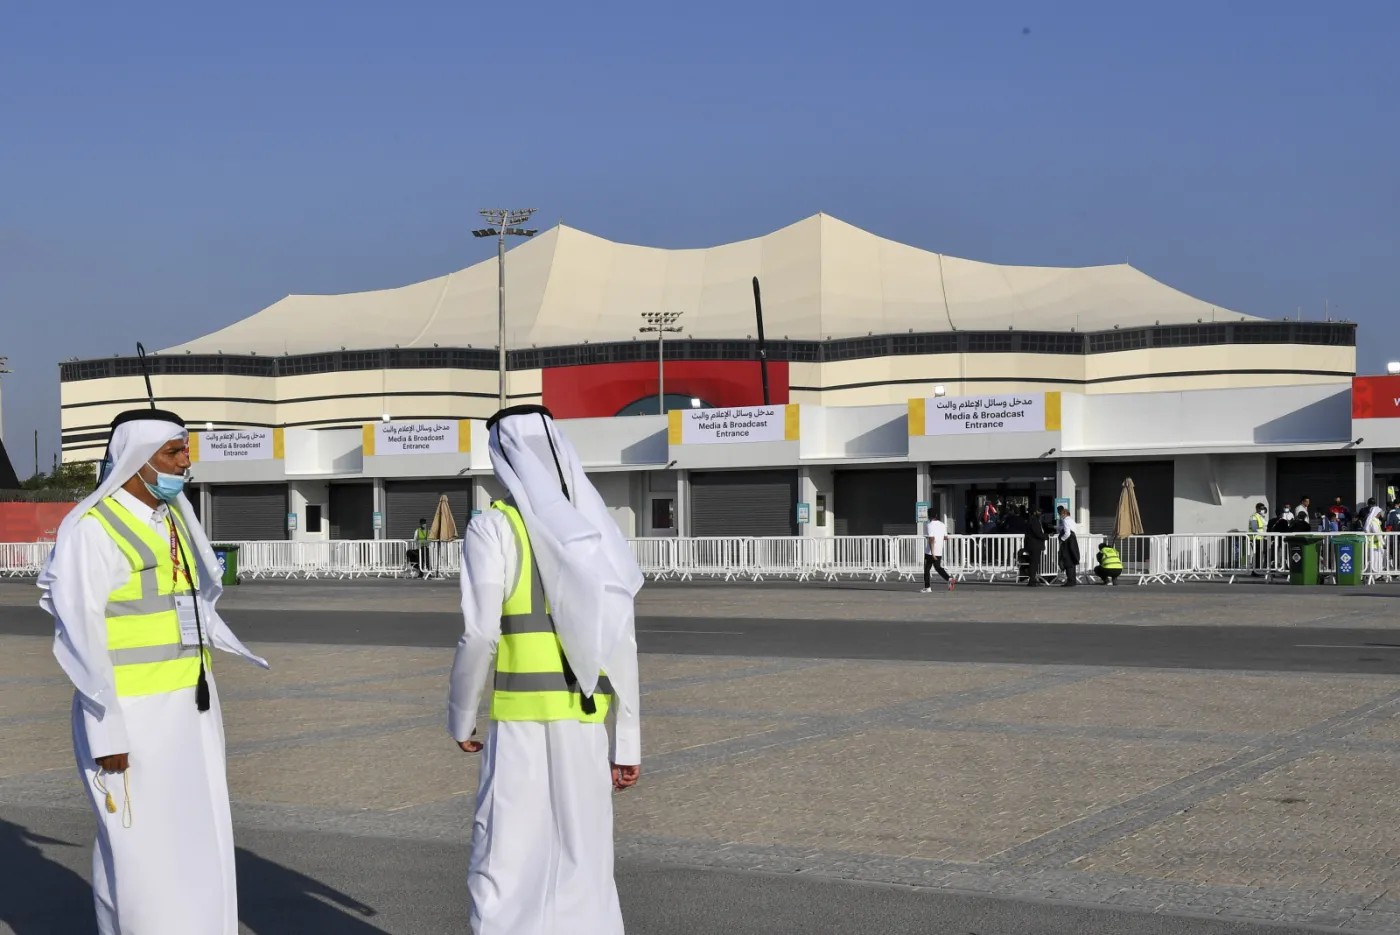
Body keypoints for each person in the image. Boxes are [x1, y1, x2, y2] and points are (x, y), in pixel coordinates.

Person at [37, 408, 267, 935]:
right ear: (138, 461)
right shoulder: (93, 532)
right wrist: (106, 730)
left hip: (190, 709)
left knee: (198, 836)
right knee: (141, 853)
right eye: (173, 452)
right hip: (131, 718)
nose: (186, 461)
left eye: (186, 450)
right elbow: (81, 637)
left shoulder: (173, 520)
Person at [449, 404, 642, 935]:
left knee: (504, 863)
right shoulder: (596, 534)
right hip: (585, 727)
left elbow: (481, 633)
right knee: (585, 869)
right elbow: (622, 641)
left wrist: (462, 716)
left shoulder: (493, 528)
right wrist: (628, 744)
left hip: (519, 728)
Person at [922, 516, 955, 592]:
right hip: (939, 550)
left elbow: (931, 539)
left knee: (927, 569)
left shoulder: (929, 525)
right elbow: (946, 537)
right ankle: (949, 578)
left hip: (930, 552)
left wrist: (932, 552)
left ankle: (927, 587)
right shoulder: (942, 524)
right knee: (938, 567)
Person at [1023, 506, 1048, 586]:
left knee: (1034, 562)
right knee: (1034, 563)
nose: (1040, 513)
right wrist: (1046, 536)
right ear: (1034, 512)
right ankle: (1032, 580)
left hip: (1032, 544)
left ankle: (1033, 579)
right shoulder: (1034, 521)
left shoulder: (1031, 521)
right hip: (1035, 545)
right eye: (1038, 511)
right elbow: (1037, 533)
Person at [1056, 505, 1080, 586]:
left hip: (1067, 542)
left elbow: (1067, 533)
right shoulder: (1072, 520)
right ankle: (1073, 580)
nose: (1061, 515)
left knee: (1067, 560)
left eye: (1061, 514)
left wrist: (1062, 539)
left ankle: (1070, 581)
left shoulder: (1066, 521)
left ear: (1064, 514)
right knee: (1072, 560)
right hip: (1073, 541)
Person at [1363, 498, 1385, 576]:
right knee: (1375, 560)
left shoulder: (1375, 521)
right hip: (1374, 545)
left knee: (1376, 560)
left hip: (1375, 545)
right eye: (1379, 512)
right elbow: (1377, 533)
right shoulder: (1373, 522)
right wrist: (1383, 543)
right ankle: (1376, 575)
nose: (1380, 514)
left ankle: (1376, 575)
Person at [1247, 502, 1268, 575]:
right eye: (1261, 508)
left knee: (1259, 554)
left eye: (1263, 508)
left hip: (1260, 538)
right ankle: (1254, 571)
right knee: (1256, 554)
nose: (1262, 510)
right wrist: (1259, 532)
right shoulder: (1254, 516)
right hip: (1255, 538)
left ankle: (1257, 570)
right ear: (1257, 509)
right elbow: (1254, 527)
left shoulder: (1261, 516)